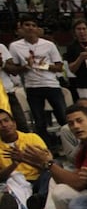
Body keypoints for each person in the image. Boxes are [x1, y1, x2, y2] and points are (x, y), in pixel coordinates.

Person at [5, 15, 67, 148]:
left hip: (52, 85)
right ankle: (46, 149)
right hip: (32, 87)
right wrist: (26, 66)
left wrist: (42, 66)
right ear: (20, 28)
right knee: (39, 121)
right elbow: (13, 69)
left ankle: (71, 143)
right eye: (27, 25)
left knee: (63, 117)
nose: (30, 28)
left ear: (38, 29)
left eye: (33, 25)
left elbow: (59, 67)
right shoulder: (15, 46)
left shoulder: (49, 44)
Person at [0, 108, 51, 209]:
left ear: (14, 123)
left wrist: (24, 159)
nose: (4, 125)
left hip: (38, 181)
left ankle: (37, 202)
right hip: (13, 185)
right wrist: (14, 164)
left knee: (51, 171)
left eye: (6, 120)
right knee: (6, 192)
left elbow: (47, 164)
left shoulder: (32, 138)